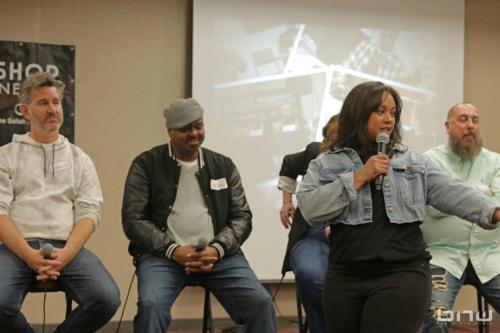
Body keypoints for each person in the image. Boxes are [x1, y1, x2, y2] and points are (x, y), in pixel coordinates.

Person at [296, 81, 500, 333]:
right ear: (358, 113)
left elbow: (453, 191)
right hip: (344, 274)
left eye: (393, 113)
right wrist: (358, 178)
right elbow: (309, 208)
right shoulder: (325, 164)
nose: (388, 120)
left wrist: (494, 210)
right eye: (380, 111)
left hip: (402, 271)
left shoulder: (412, 161)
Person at [121, 98, 276, 333]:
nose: (194, 133)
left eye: (198, 126)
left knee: (261, 303)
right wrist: (174, 250)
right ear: (169, 131)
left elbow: (242, 217)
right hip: (163, 256)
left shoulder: (223, 165)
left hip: (219, 256)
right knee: (151, 306)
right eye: (185, 128)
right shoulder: (146, 164)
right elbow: (133, 220)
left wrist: (217, 249)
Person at [0, 72, 120, 333]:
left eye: (56, 102)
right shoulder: (6, 156)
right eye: (43, 103)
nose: (52, 109)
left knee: (106, 298)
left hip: (67, 248)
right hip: (16, 249)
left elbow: (89, 213)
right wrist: (30, 256)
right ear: (24, 110)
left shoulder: (80, 159)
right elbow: (0, 214)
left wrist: (65, 256)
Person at [421, 103, 500, 332]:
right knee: (436, 318)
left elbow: (497, 207)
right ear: (447, 126)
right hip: (443, 255)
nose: (470, 126)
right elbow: (434, 207)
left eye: (475, 120)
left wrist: (453, 194)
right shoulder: (430, 161)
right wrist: (484, 194)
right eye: (463, 119)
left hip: (490, 255)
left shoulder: (495, 162)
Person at [278, 114, 339, 333]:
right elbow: (288, 164)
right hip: (312, 236)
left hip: (351, 239)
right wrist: (287, 202)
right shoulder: (315, 152)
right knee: (312, 276)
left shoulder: (366, 160)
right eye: (330, 144)